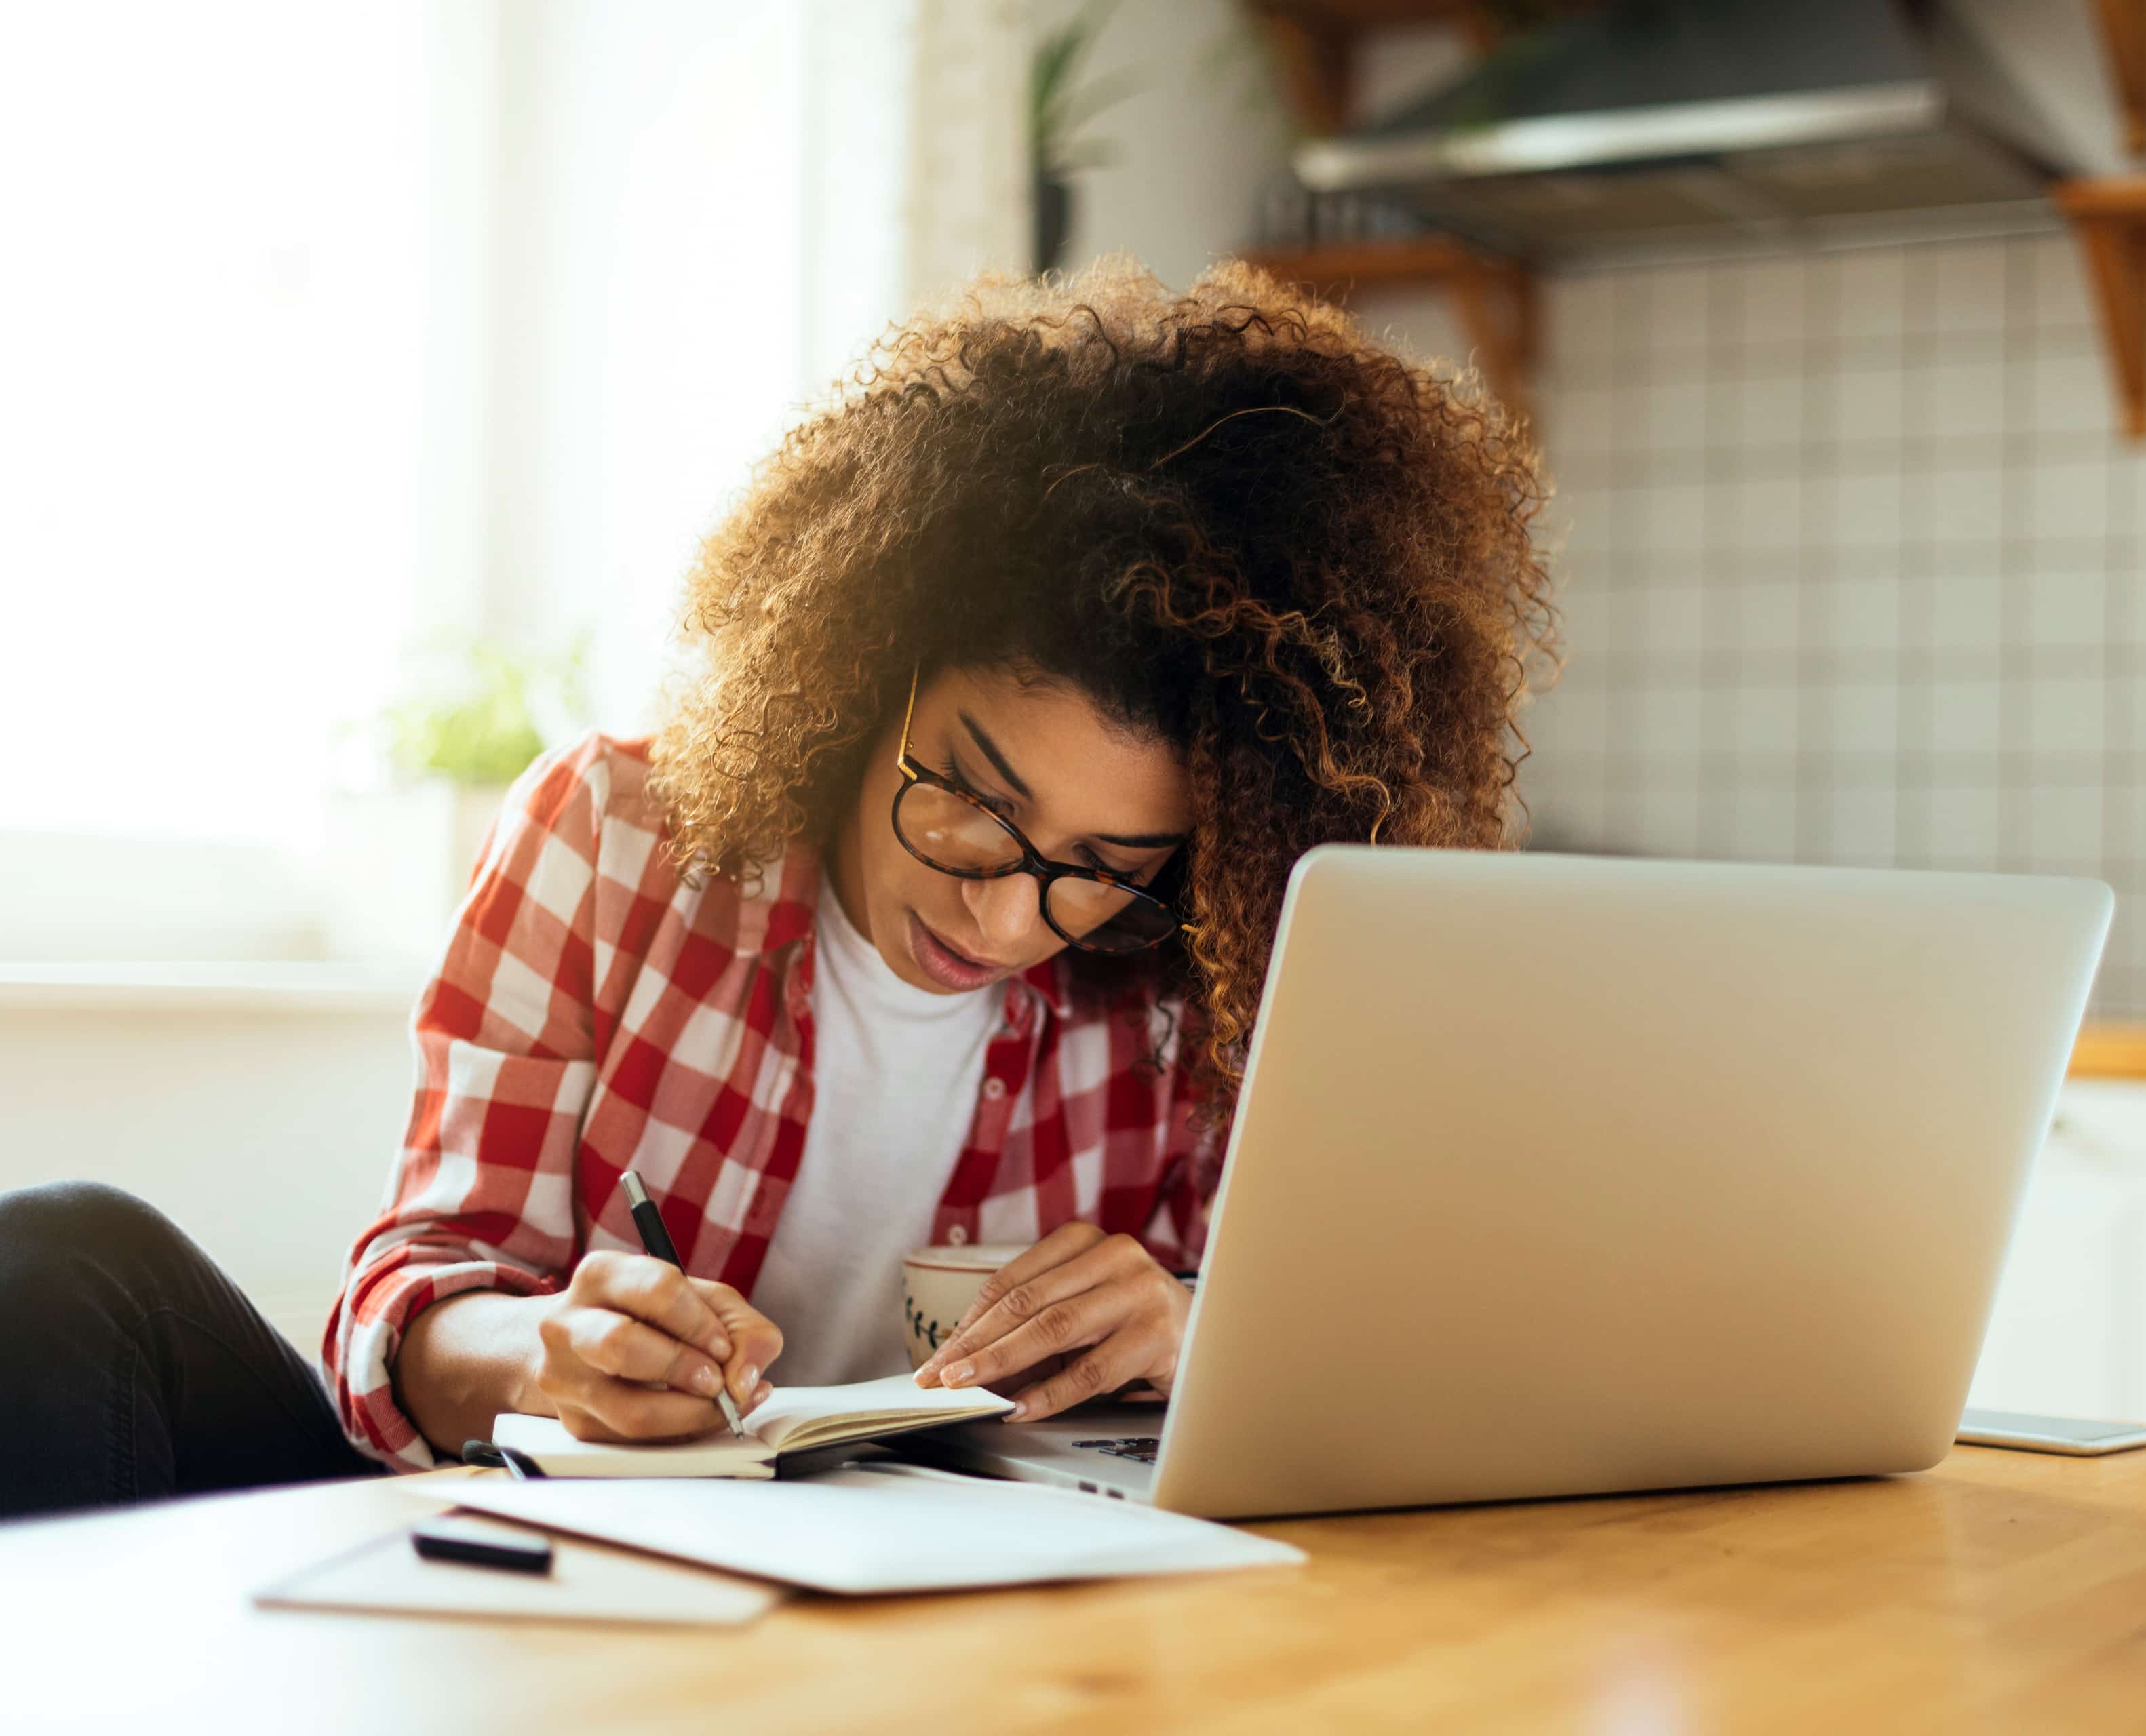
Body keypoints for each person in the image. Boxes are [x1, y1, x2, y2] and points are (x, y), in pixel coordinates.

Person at [0, 259, 1556, 1517]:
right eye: (970, 801)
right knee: (62, 1264)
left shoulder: (1205, 963)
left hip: (973, 1592)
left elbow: (1383, 1347)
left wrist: (1199, 1325)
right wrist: (544, 1351)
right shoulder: (614, 829)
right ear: (866, 667)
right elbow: (418, 1289)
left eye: (1101, 870)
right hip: (571, 1544)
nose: (1006, 919)